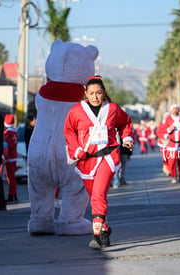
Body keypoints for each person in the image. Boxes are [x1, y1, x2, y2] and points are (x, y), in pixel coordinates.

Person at [63, 76, 134, 250]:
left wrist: (126, 137)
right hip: (86, 160)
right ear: (86, 94)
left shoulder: (112, 109)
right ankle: (105, 230)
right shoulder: (76, 110)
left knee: (98, 196)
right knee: (96, 198)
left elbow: (125, 122)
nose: (95, 96)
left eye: (99, 93)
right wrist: (76, 149)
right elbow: (68, 130)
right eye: (92, 93)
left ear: (104, 94)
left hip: (108, 157)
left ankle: (96, 235)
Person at [162, 104, 180, 184]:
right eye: (173, 109)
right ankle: (173, 176)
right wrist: (169, 129)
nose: (175, 110)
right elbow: (164, 130)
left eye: (177, 109)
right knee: (171, 161)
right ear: (171, 111)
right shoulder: (168, 119)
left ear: (179, 110)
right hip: (172, 144)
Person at [3, 114, 19, 203]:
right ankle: (14, 195)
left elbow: (6, 146)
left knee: (10, 178)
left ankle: (11, 195)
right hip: (14, 157)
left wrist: (5, 156)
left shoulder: (6, 134)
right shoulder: (15, 132)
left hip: (9, 157)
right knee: (12, 177)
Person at [156, 112, 170, 176]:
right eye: (166, 116)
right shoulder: (162, 124)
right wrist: (164, 136)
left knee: (171, 156)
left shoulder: (172, 123)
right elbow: (158, 133)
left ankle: (170, 168)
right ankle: (166, 168)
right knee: (164, 156)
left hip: (171, 142)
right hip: (163, 142)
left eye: (168, 116)